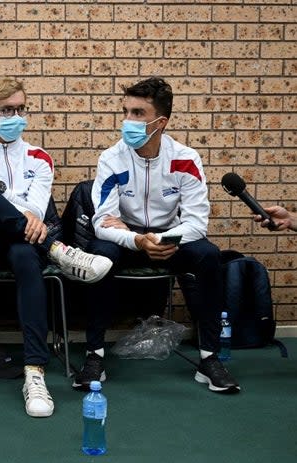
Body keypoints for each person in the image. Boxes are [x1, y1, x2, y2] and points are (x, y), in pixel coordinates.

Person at [0, 77, 113, 418]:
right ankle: (57, 251)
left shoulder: (40, 158)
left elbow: (38, 209)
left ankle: (34, 373)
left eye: (20, 109)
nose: (15, 116)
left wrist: (24, 213)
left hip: (22, 243)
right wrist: (19, 210)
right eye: (6, 110)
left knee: (25, 253)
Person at [74, 76, 240, 394]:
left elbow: (196, 223)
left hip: (171, 235)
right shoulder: (112, 158)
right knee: (100, 257)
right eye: (126, 111)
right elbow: (101, 221)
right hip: (127, 237)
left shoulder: (185, 159)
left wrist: (164, 240)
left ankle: (209, 358)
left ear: (160, 122)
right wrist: (137, 239)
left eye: (138, 113)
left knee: (208, 256)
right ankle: (94, 355)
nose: (128, 121)